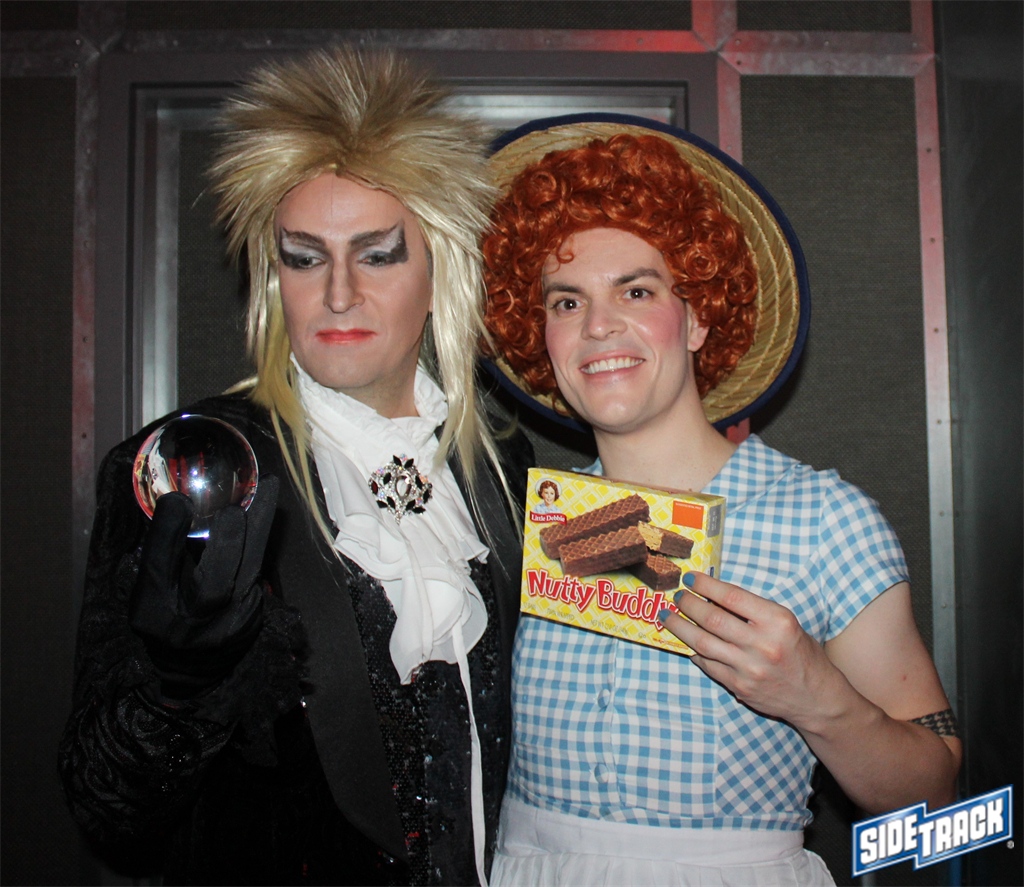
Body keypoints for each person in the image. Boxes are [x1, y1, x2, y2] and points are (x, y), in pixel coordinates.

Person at [59, 47, 531, 886]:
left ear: (441, 271)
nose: (338, 293)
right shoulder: (193, 468)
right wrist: (177, 686)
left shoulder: (498, 466)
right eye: (305, 257)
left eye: (378, 254)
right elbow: (109, 810)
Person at [481, 115, 961, 885]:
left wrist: (817, 697)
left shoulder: (822, 521)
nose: (598, 325)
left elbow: (935, 799)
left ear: (699, 315)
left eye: (636, 290)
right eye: (566, 302)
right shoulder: (520, 524)